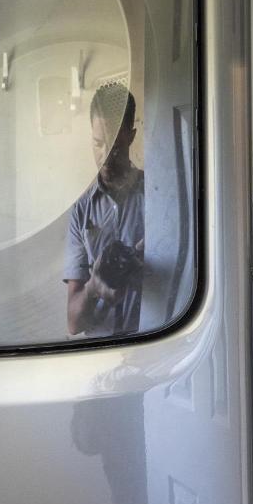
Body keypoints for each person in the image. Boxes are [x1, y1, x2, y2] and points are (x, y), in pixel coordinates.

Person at [63, 84, 144, 337]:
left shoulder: (159, 196)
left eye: (115, 144)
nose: (105, 155)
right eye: (99, 143)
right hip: (99, 357)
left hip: (153, 348)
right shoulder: (79, 212)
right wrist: (93, 288)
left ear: (130, 136)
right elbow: (74, 324)